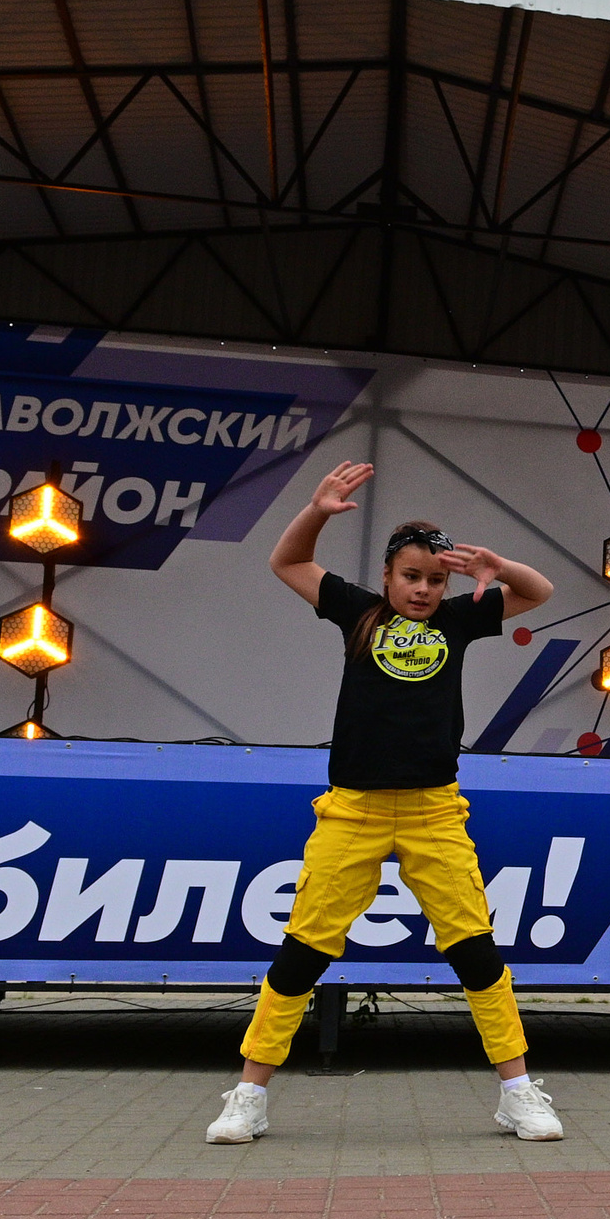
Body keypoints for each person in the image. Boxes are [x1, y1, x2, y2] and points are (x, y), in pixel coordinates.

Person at [204, 467, 561, 1146]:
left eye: (435, 579)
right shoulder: (358, 610)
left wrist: (498, 564)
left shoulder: (460, 619)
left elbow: (537, 590)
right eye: (411, 577)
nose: (424, 590)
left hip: (434, 813)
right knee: (303, 952)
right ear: (388, 576)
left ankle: (518, 1092)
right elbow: (286, 560)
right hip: (353, 813)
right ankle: (248, 1095)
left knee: (476, 951)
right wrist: (316, 510)